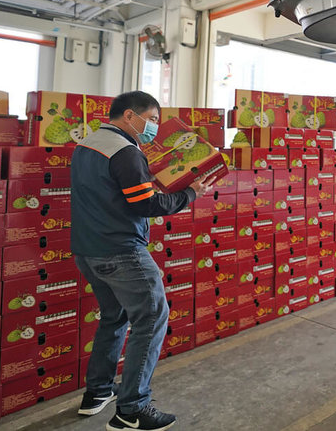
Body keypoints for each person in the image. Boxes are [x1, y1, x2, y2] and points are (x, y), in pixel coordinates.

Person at [71, 91, 213, 431]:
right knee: (151, 317)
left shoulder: (88, 144)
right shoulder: (125, 152)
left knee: (114, 316)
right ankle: (132, 409)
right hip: (121, 251)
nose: (153, 127)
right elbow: (144, 205)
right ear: (130, 116)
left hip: (87, 250)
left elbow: (117, 195)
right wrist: (190, 193)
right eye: (151, 119)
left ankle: (98, 393)